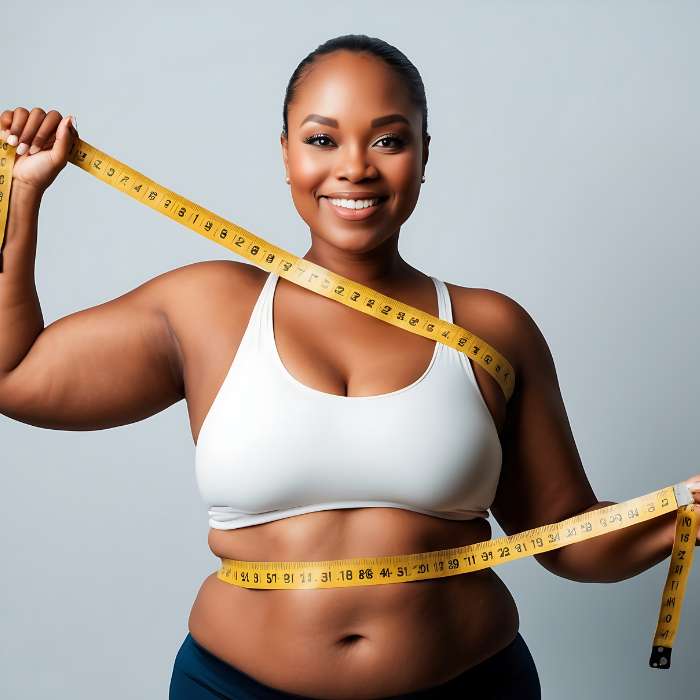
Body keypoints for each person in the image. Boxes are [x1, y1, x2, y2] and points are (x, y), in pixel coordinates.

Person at [1, 33, 698, 700]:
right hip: (233, 691)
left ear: (424, 155)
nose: (355, 166)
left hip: (471, 688)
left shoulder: (492, 328)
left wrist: (685, 511)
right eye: (322, 138)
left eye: (389, 140)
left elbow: (571, 539)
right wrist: (19, 192)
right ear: (285, 154)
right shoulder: (205, 307)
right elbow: (15, 375)